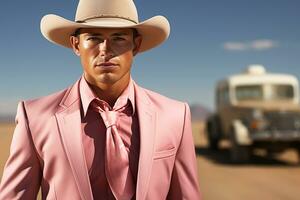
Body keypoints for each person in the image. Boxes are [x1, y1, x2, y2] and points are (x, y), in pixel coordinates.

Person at [0, 0, 201, 199]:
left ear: (136, 45)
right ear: (76, 44)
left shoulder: (175, 116)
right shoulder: (35, 117)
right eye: (94, 38)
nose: (105, 49)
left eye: (119, 37)